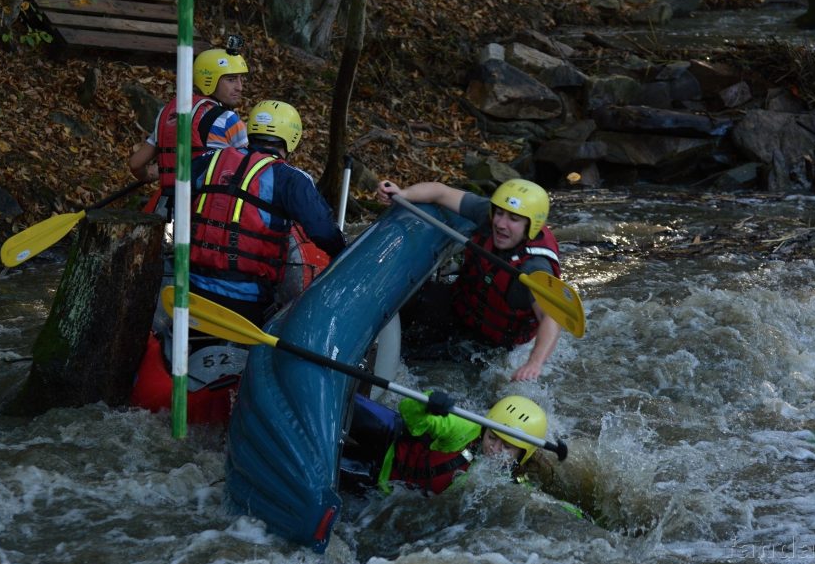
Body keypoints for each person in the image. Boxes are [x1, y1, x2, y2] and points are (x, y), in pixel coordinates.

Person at [377, 179, 563, 381]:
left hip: (489, 344)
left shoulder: (534, 267)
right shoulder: (488, 215)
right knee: (411, 302)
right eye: (499, 213)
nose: (500, 224)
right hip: (459, 307)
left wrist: (534, 363)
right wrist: (403, 194)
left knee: (414, 357)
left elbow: (550, 318)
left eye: (513, 219)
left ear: (531, 225)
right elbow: (441, 192)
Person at [187, 99, 346, 327]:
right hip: (245, 301)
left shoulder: (209, 160)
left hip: (191, 287)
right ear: (292, 138)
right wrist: (343, 251)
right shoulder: (290, 178)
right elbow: (322, 231)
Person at [342, 393, 557, 496]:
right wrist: (427, 402)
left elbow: (542, 504)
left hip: (380, 478)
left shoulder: (507, 486)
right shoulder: (463, 429)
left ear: (523, 454)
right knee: (339, 400)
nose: (494, 448)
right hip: (390, 434)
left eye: (507, 447)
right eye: (492, 437)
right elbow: (409, 411)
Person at [128, 39, 250, 218]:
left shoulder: (169, 113)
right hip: (208, 212)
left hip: (168, 208)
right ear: (209, 79)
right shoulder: (228, 120)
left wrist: (155, 173)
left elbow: (135, 163)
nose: (239, 87)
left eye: (241, 79)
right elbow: (250, 171)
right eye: (231, 80)